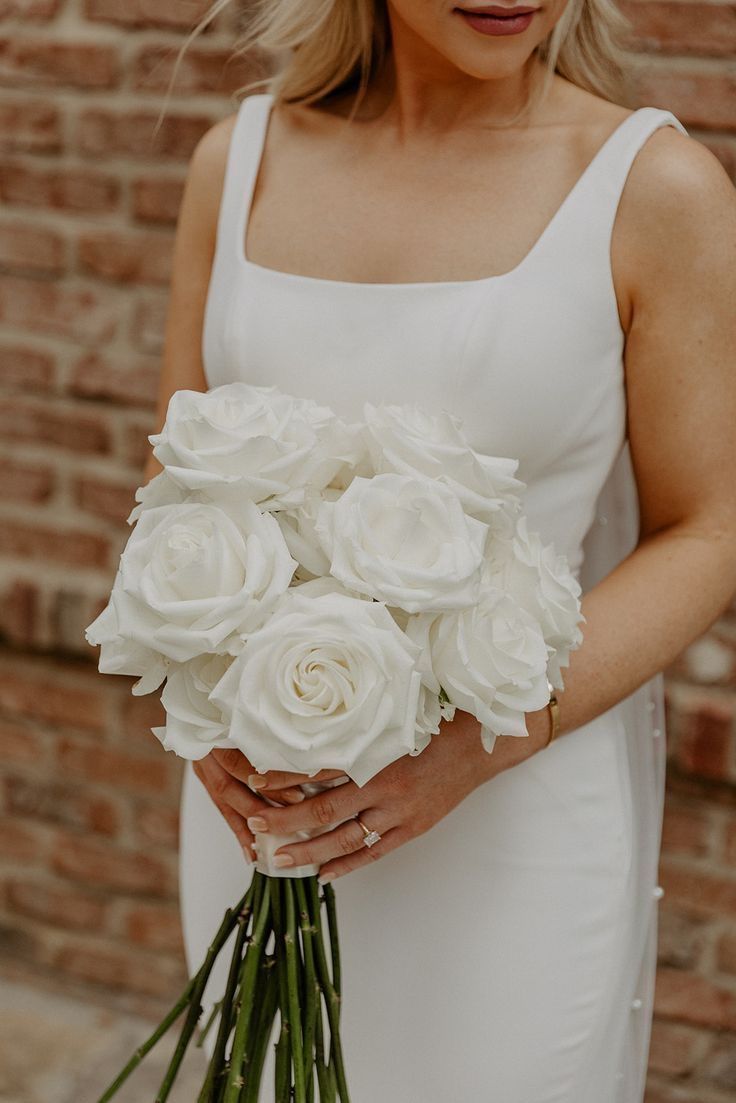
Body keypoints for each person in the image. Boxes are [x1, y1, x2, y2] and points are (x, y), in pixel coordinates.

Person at [142, 1, 736, 1098]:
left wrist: (473, 746)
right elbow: (171, 485)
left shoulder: (652, 187)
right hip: (258, 809)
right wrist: (199, 705)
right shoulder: (237, 164)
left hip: (512, 815)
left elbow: (708, 528)